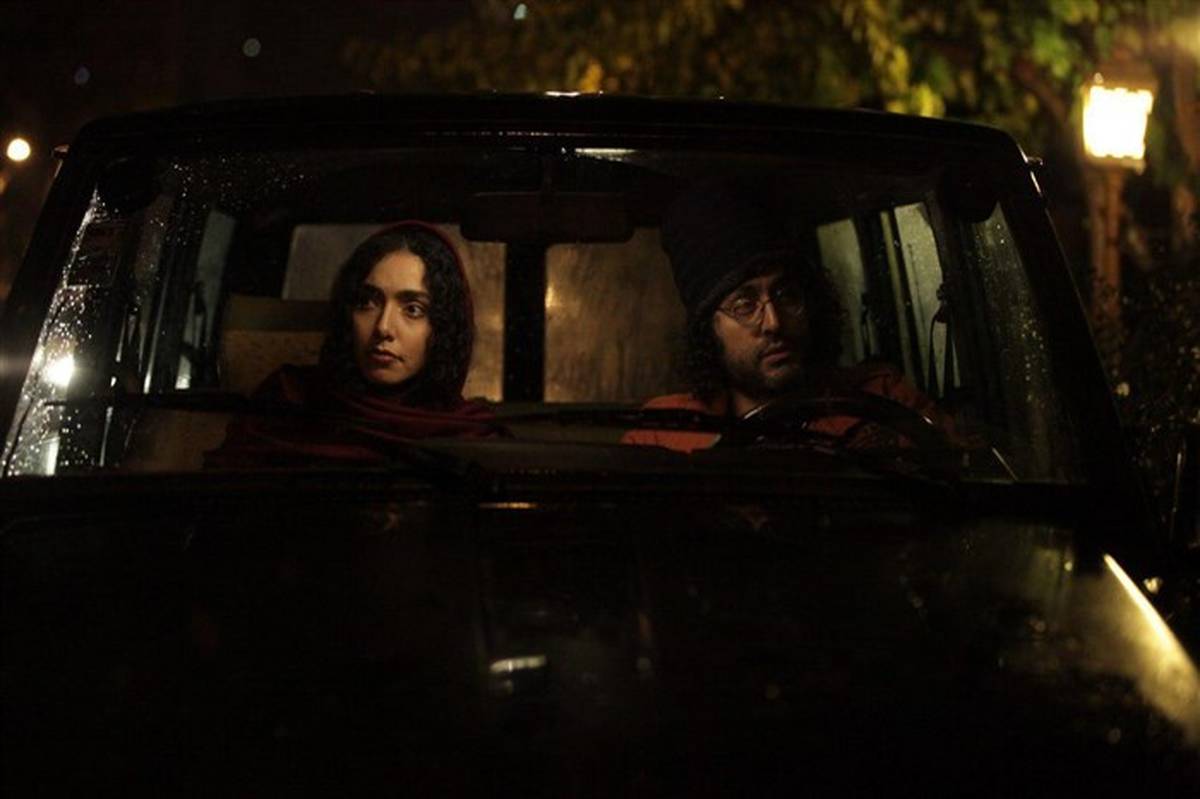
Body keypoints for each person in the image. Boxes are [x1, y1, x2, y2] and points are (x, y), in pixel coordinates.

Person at [622, 187, 958, 453]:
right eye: (745, 305)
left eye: (787, 296)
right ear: (709, 330)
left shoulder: (883, 402)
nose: (774, 323)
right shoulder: (666, 433)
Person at [206, 221, 495, 467]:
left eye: (413, 309)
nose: (383, 328)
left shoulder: (468, 434)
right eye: (367, 302)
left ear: (443, 326)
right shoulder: (287, 400)